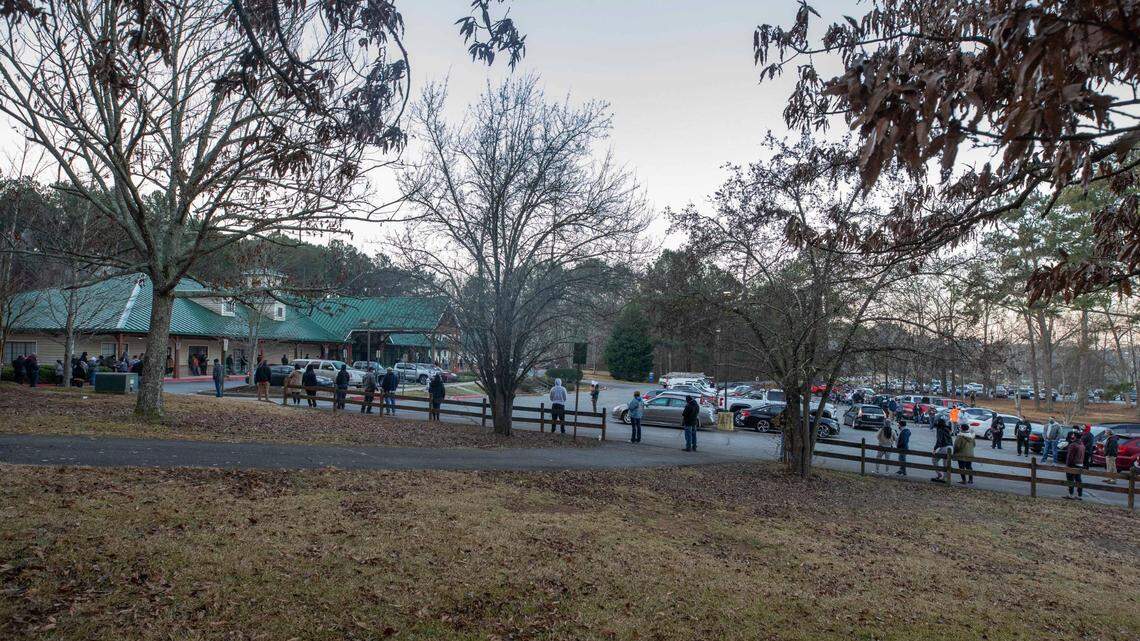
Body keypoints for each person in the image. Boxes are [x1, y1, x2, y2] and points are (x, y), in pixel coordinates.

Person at [931, 417, 954, 483]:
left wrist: (935, 449)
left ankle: (939, 474)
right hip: (950, 447)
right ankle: (945, 478)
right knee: (945, 463)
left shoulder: (940, 430)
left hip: (944, 447)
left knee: (934, 460)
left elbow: (939, 441)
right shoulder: (947, 429)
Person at [1065, 430, 1086, 500]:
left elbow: (1070, 456)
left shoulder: (1073, 445)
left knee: (1070, 480)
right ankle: (1080, 495)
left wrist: (1067, 465)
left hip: (1073, 464)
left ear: (1075, 436)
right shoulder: (1082, 444)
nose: (1072, 436)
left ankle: (1071, 494)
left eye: (1073, 435)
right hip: (1080, 464)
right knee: (1078, 480)